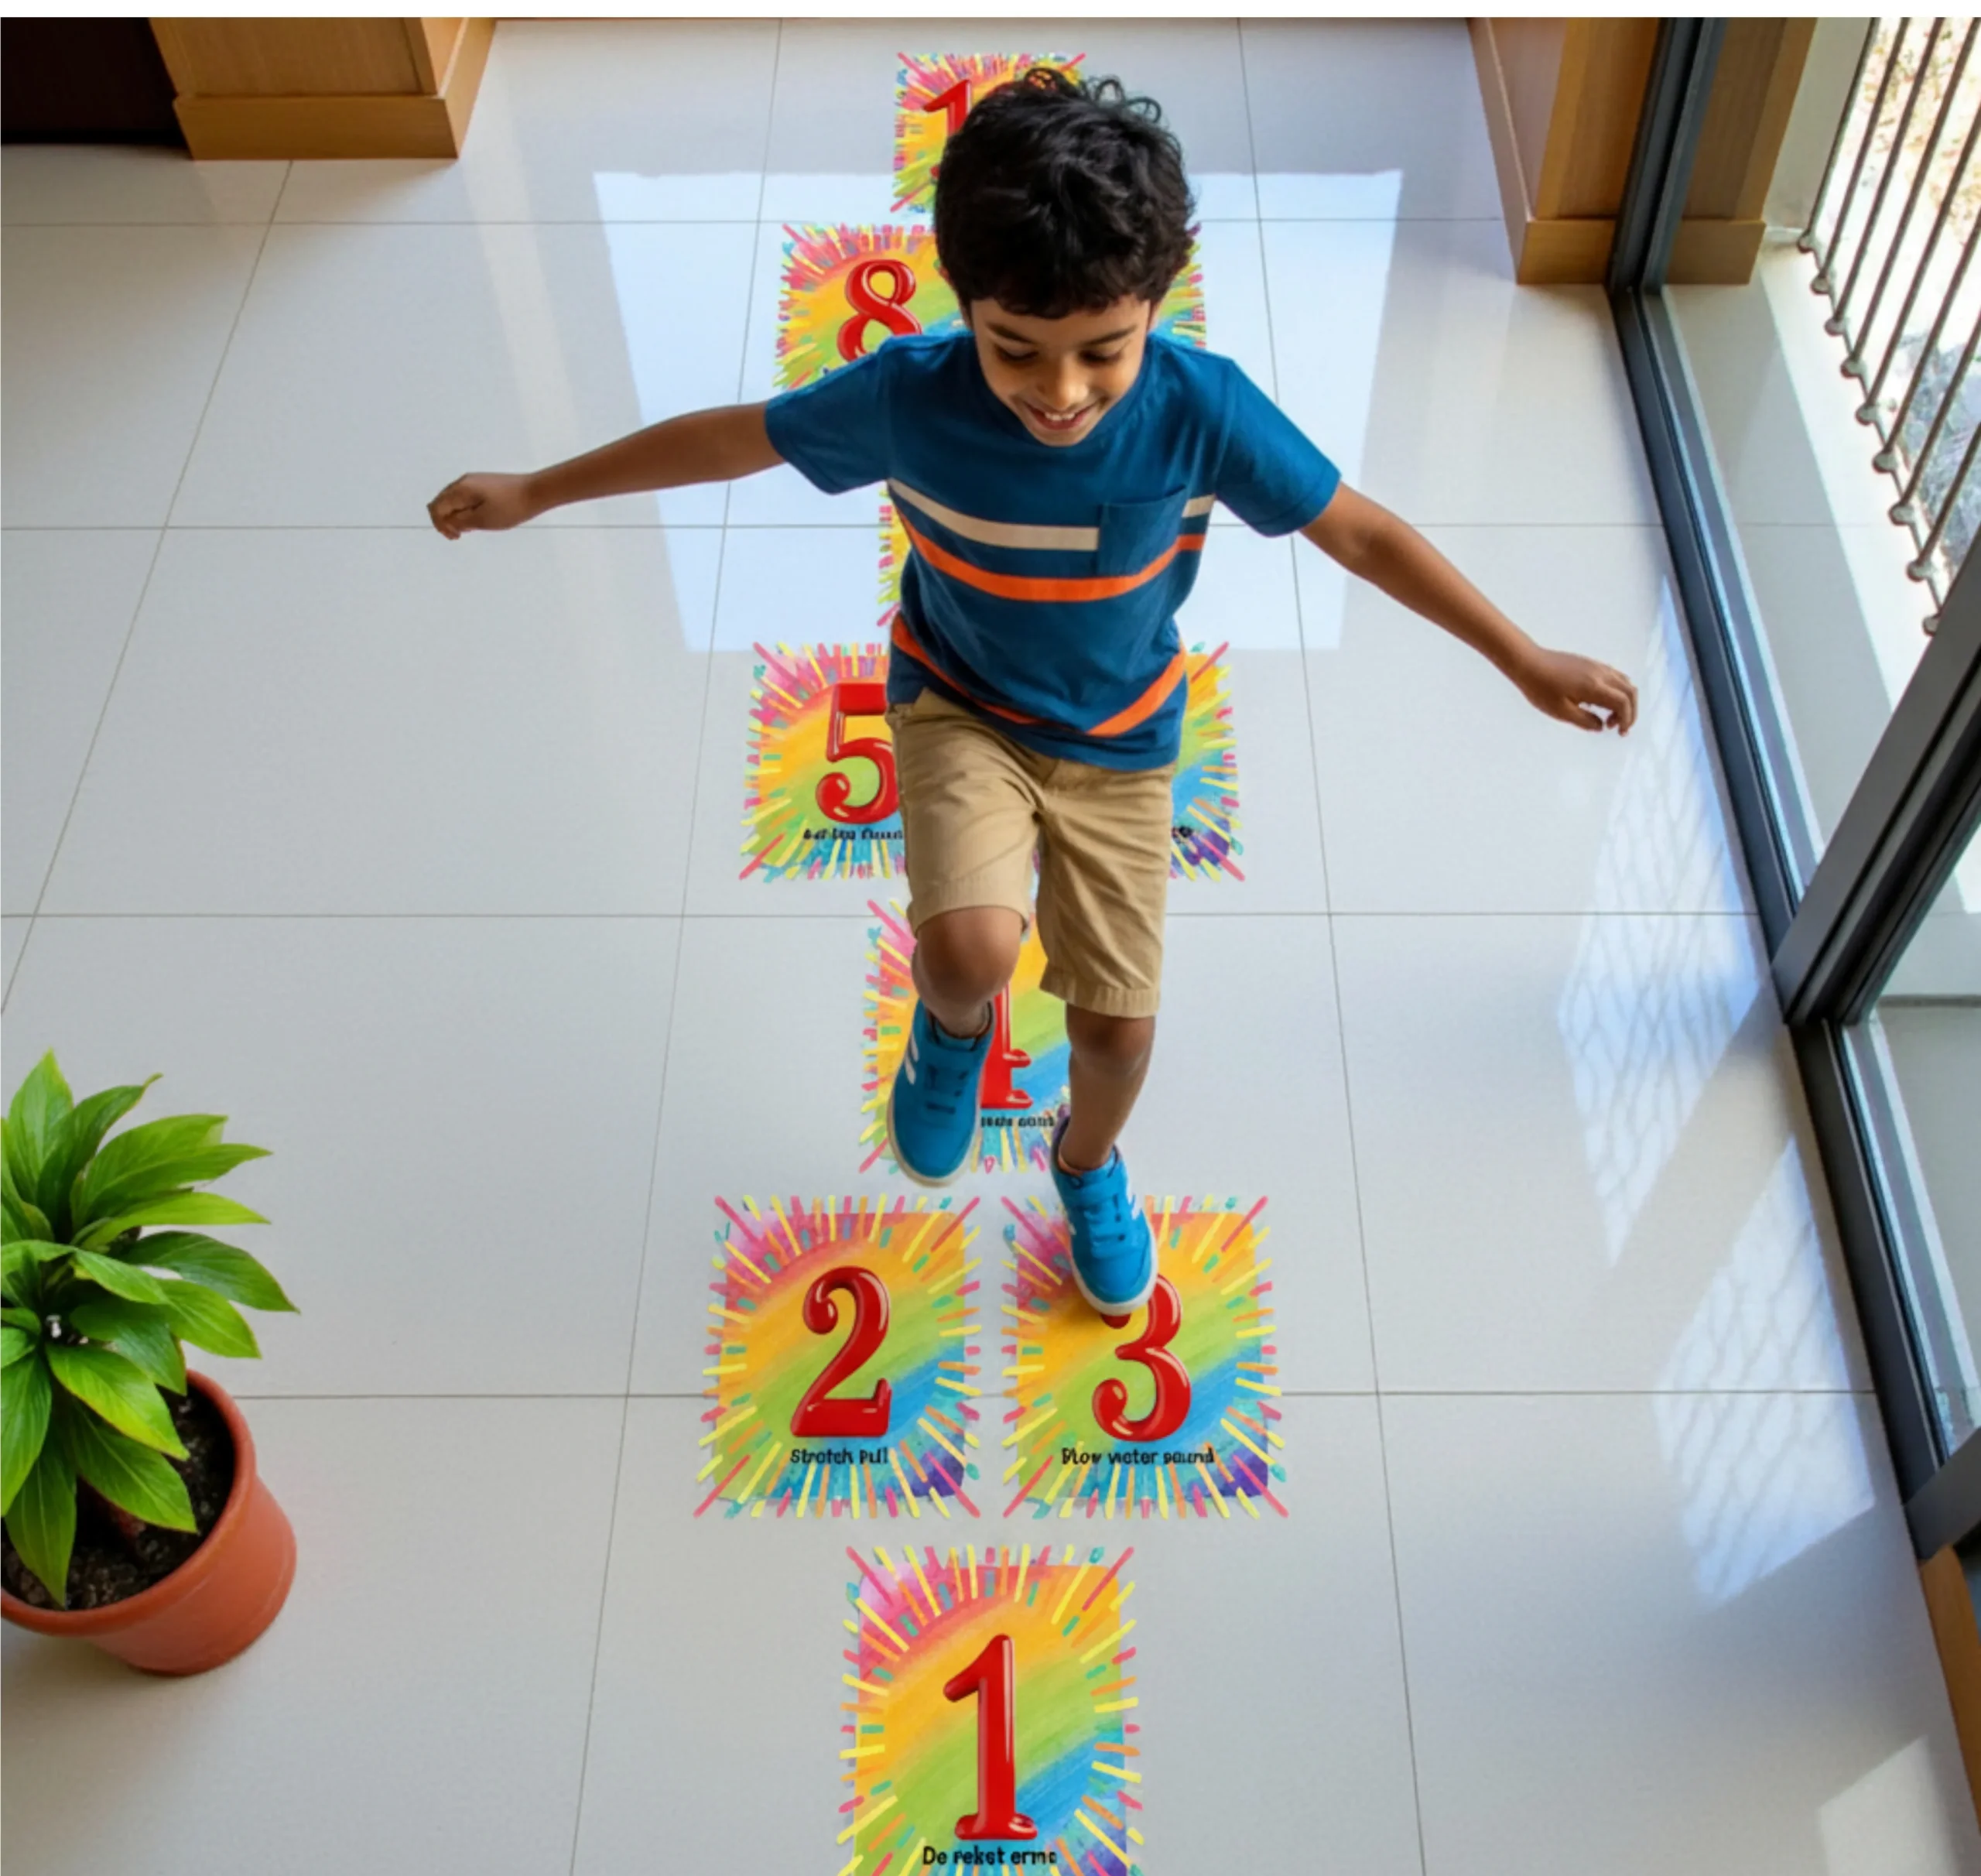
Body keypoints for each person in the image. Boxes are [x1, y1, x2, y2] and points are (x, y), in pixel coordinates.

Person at [428, 68, 1637, 1320]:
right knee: (970, 950)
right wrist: (540, 488)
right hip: (960, 702)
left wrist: (1521, 654)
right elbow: (734, 438)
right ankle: (949, 1037)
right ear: (965, 306)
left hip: (1121, 740)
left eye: (1102, 353)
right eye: (1018, 351)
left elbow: (1362, 533)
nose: (1060, 392)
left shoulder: (1201, 410)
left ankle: (1087, 1164)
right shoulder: (907, 396)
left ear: (1155, 309)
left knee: (1118, 1039)